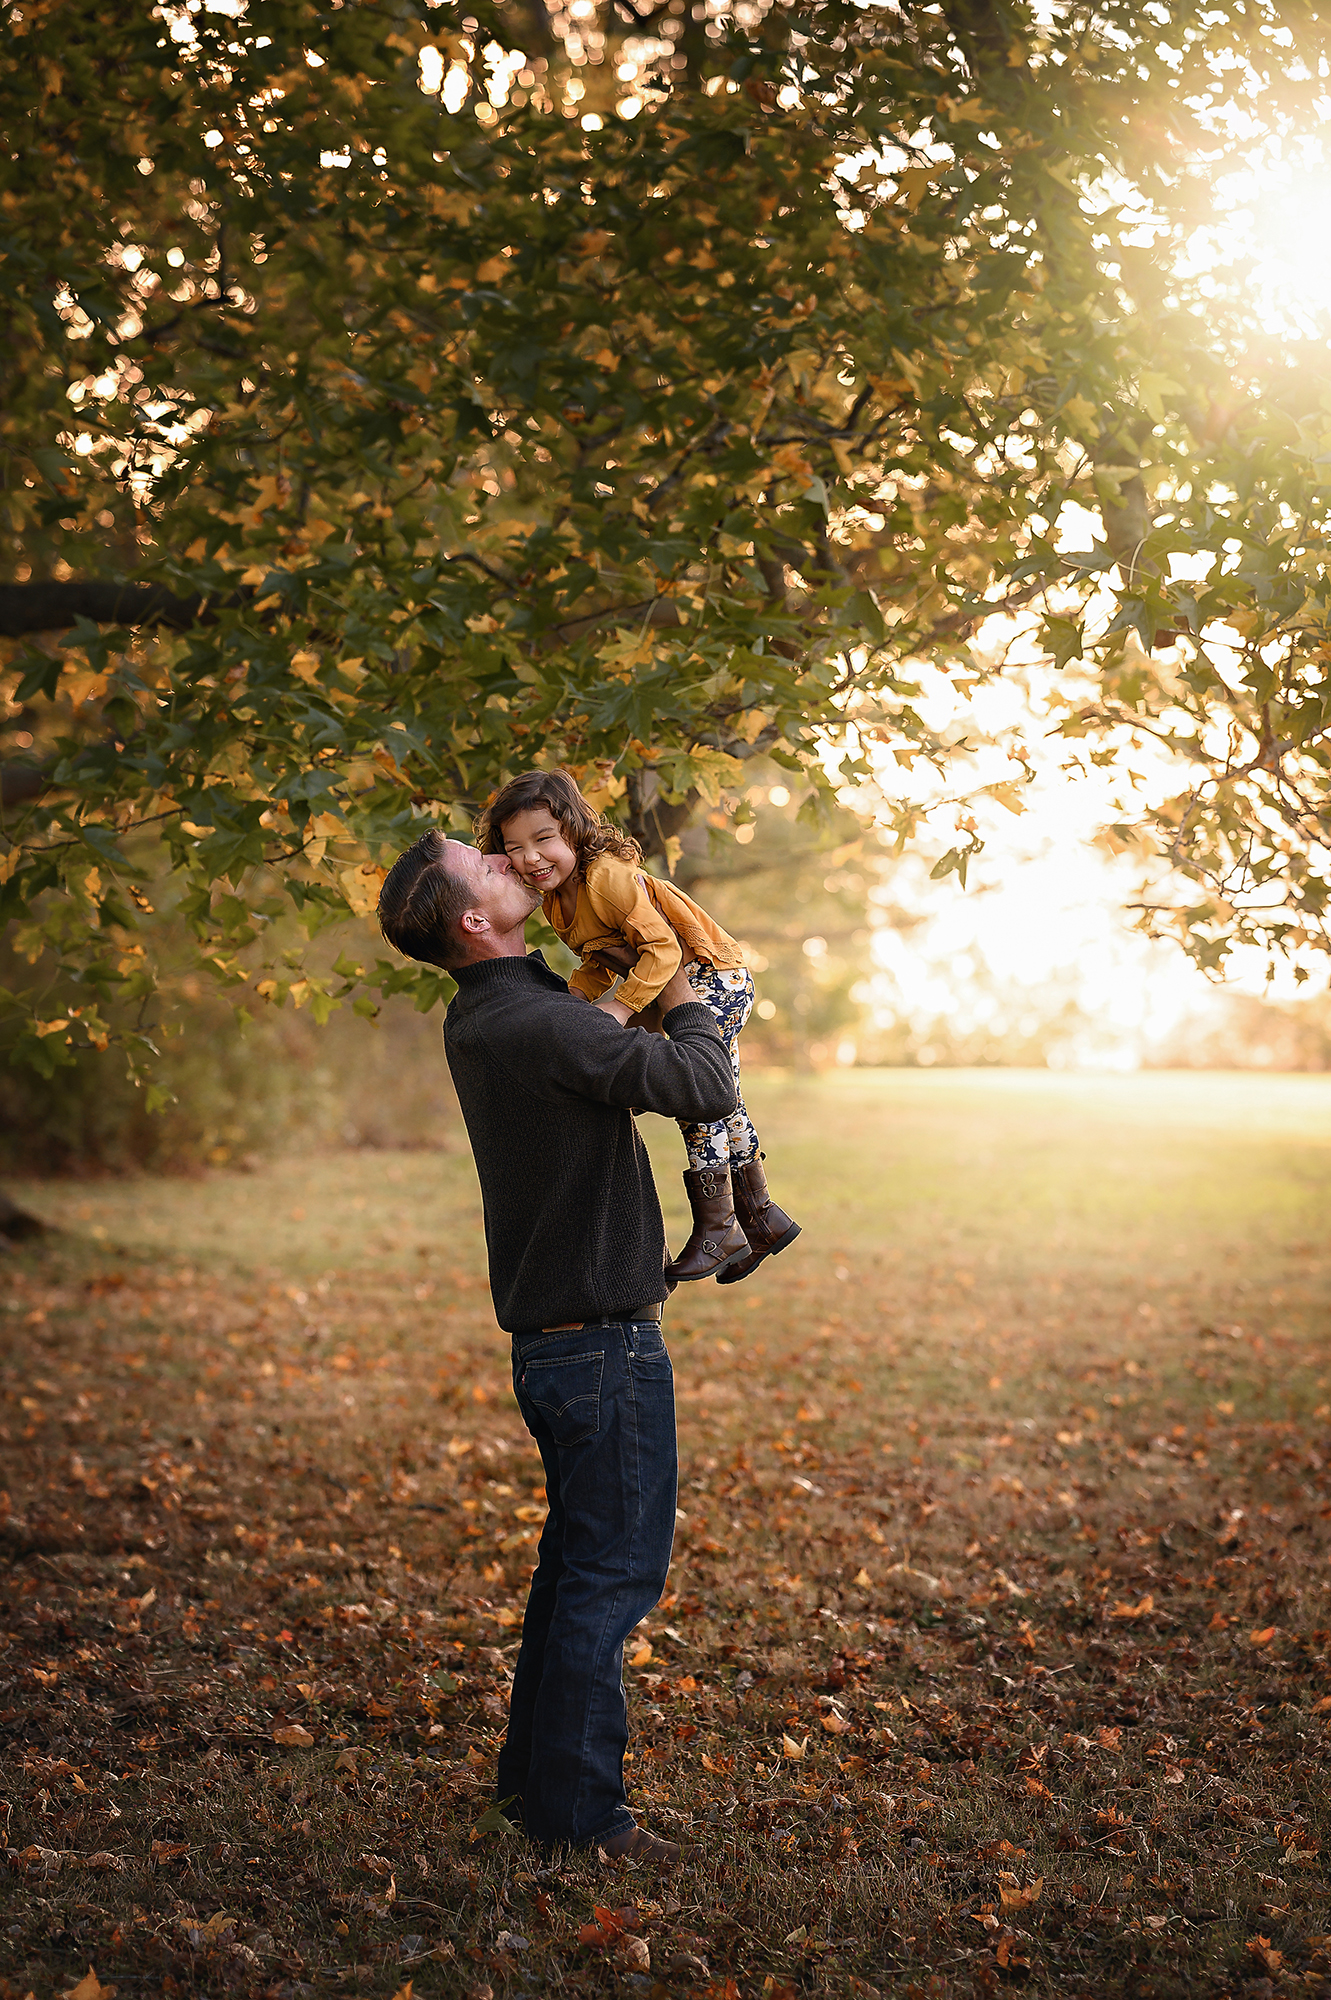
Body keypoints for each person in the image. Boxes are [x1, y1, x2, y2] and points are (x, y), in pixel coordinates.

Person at [377, 827, 737, 1862]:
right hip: (599, 1346)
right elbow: (702, 1085)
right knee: (608, 1577)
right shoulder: (536, 1024)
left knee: (573, 1571)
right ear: (474, 919)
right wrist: (674, 976)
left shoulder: (496, 1014)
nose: (507, 857)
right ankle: (579, 1820)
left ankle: (531, 1792)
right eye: (484, 863)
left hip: (560, 1344)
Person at [475, 769, 800, 1286]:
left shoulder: (607, 878)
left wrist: (620, 1009)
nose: (530, 858)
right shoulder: (559, 898)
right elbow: (600, 955)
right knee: (725, 1099)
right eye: (514, 848)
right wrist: (571, 999)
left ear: (575, 833)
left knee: (697, 1095)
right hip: (681, 981)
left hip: (710, 974)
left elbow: (663, 949)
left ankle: (720, 1229)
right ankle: (761, 1218)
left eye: (544, 840)